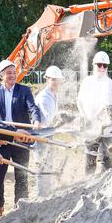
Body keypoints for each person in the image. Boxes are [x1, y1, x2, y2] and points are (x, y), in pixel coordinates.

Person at [0, 59, 42, 217]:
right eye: (9, 73)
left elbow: (33, 107)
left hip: (21, 138)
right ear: (1, 75)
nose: (12, 75)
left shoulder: (24, 90)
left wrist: (36, 120)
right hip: (1, 140)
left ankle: (21, 205)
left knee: (21, 174)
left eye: (14, 72)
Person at [77, 51, 112, 174]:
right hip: (90, 126)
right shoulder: (87, 82)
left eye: (105, 66)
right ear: (93, 65)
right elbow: (79, 101)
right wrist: (84, 117)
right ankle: (88, 186)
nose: (102, 68)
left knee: (106, 158)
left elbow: (106, 106)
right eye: (99, 65)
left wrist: (93, 119)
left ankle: (107, 186)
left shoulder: (109, 83)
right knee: (90, 158)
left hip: (106, 128)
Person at [34, 66, 64, 197]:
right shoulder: (44, 97)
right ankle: (41, 196)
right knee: (42, 167)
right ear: (47, 79)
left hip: (49, 135)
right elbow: (51, 119)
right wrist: (65, 121)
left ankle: (47, 194)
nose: (56, 82)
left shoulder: (54, 94)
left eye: (58, 80)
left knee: (49, 165)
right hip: (42, 136)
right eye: (53, 79)